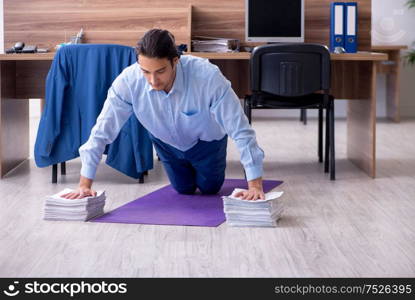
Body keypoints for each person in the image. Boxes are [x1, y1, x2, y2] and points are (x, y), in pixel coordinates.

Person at [62, 28, 265, 201]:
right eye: (145, 71)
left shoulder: (208, 77)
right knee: (183, 189)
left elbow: (240, 129)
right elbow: (102, 130)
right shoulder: (128, 81)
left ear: (175, 60)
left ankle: (207, 173)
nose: (152, 80)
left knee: (209, 188)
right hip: (166, 144)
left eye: (160, 71)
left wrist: (254, 185)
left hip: (208, 143)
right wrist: (84, 184)